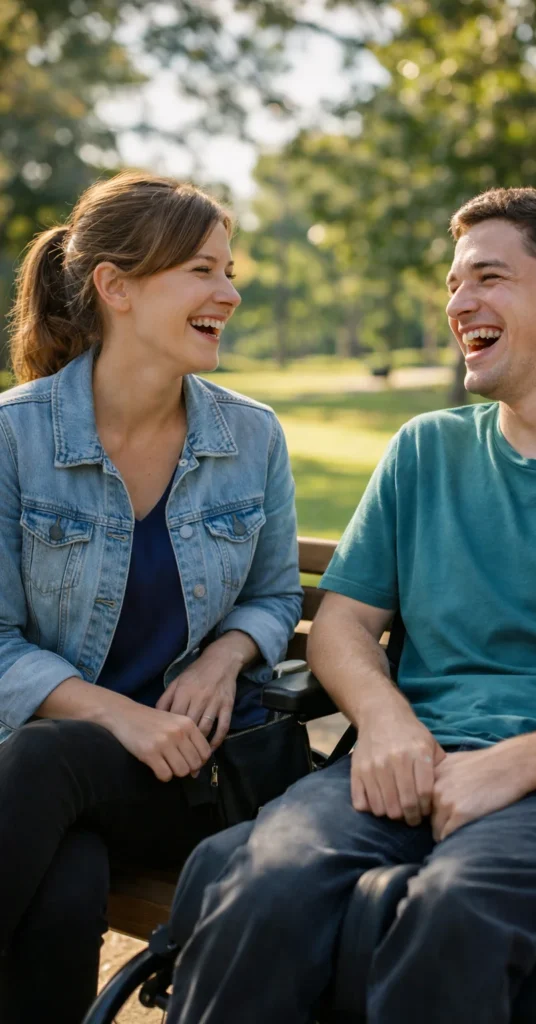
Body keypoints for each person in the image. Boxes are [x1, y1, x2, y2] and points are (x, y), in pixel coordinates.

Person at [165, 187, 536, 1024]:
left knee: (453, 910)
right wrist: (388, 723)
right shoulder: (425, 450)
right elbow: (342, 624)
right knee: (267, 885)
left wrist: (510, 766)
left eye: (486, 278)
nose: (458, 304)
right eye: (451, 285)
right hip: (401, 765)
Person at [0, 170, 302, 1024]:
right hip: (53, 774)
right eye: (202, 270)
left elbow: (276, 594)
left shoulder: (250, 436)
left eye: (229, 269)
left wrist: (226, 654)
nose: (229, 292)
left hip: (192, 778)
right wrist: (120, 715)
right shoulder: (13, 438)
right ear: (116, 287)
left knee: (39, 761)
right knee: (64, 891)